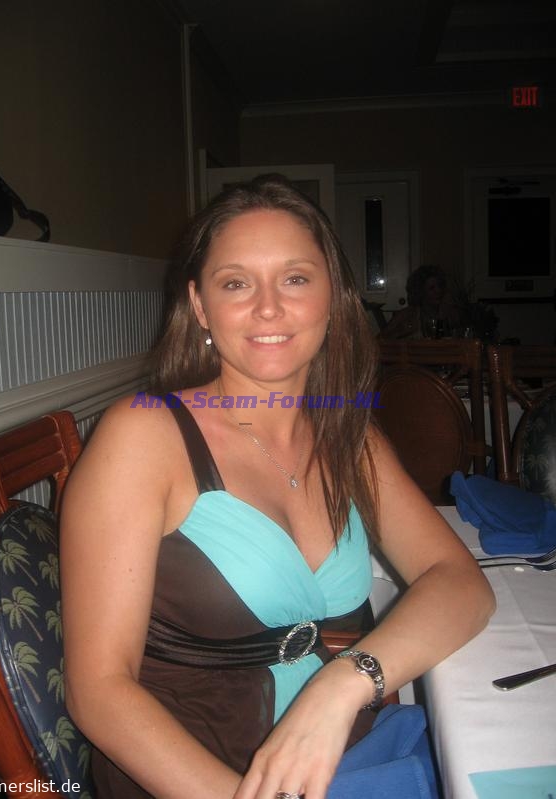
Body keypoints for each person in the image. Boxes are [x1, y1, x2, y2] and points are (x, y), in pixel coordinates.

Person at [60, 175, 495, 799]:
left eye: (294, 278)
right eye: (236, 283)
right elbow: (99, 692)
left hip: (342, 757)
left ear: (333, 297)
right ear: (201, 306)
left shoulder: (349, 435)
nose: (268, 308)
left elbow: (462, 585)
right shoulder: (144, 435)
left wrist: (345, 683)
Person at [381, 264, 461, 339]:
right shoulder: (408, 314)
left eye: (440, 286)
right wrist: (400, 332)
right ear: (421, 292)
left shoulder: (450, 313)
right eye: (431, 288)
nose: (438, 291)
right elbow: (379, 339)